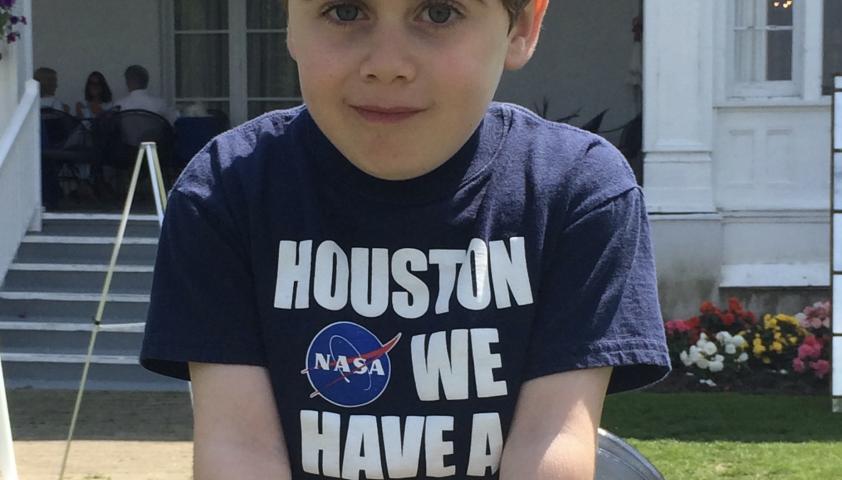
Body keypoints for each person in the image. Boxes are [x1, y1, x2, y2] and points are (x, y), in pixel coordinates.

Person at [140, 0, 671, 479]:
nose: (387, 64)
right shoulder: (227, 190)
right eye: (345, 11)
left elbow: (550, 443)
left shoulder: (577, 190)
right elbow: (240, 450)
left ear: (523, 26)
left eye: (438, 13)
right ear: (290, 22)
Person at [112, 64, 178, 123]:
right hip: (154, 136)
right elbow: (173, 121)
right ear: (147, 82)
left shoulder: (119, 106)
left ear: (128, 82)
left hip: (128, 137)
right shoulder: (160, 104)